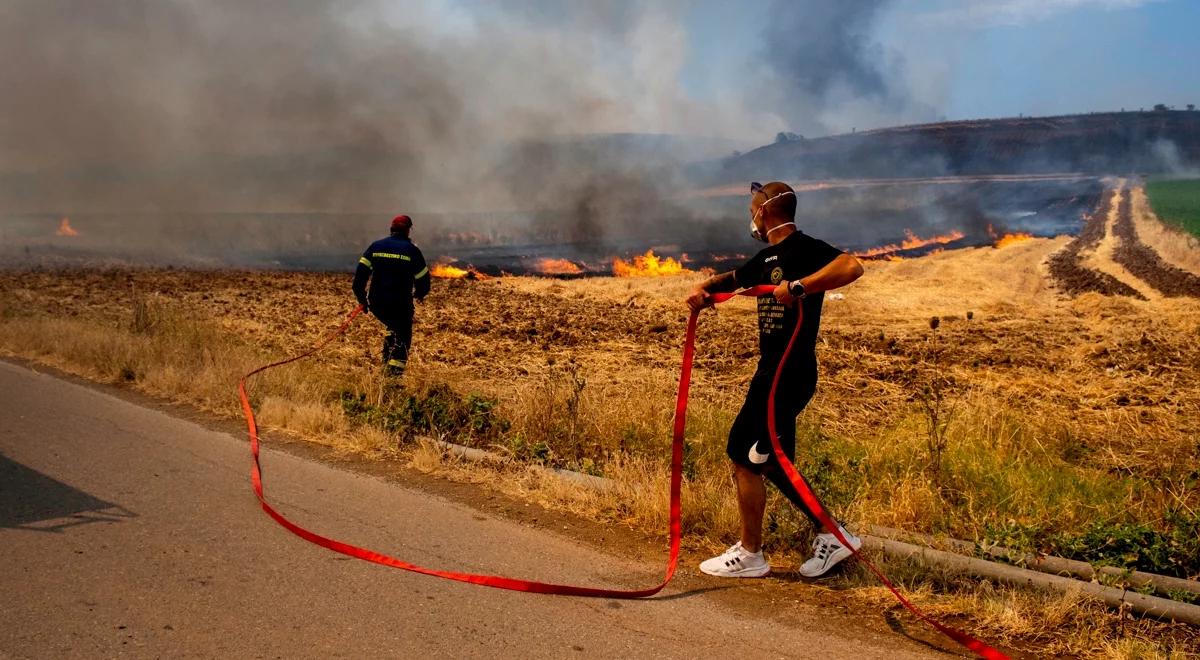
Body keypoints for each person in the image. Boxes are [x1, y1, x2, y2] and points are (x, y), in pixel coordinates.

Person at [686, 181, 865, 579]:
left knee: (741, 455)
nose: (750, 216)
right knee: (772, 464)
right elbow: (737, 278)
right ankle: (832, 534)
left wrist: (800, 287)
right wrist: (705, 289)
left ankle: (750, 554)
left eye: (751, 208)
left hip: (787, 372)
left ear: (763, 211)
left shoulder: (804, 249)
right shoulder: (768, 258)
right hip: (775, 371)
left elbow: (852, 266)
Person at [353, 214, 431, 379]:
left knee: (392, 327)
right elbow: (423, 279)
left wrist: (362, 299)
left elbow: (360, 276)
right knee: (403, 336)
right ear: (408, 231)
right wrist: (420, 293)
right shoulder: (412, 251)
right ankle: (393, 378)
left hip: (377, 303)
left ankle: (386, 366)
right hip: (400, 304)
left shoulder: (376, 247)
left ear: (391, 229)